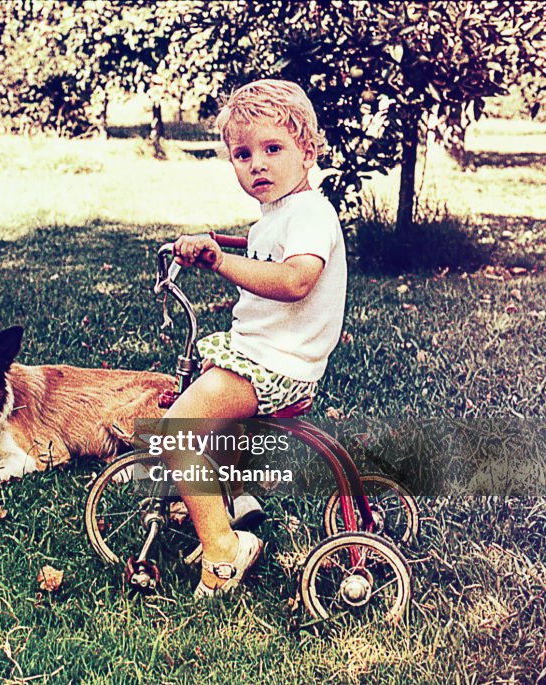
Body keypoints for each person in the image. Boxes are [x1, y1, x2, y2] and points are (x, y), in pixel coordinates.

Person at [163, 79, 347, 598]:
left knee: (177, 428)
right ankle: (237, 502)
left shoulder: (310, 213)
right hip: (265, 353)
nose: (257, 165)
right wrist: (216, 242)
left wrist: (221, 262)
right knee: (207, 405)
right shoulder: (282, 212)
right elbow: (261, 245)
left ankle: (225, 546)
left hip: (278, 363)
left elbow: (295, 280)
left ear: (307, 151)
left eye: (273, 149)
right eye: (242, 154)